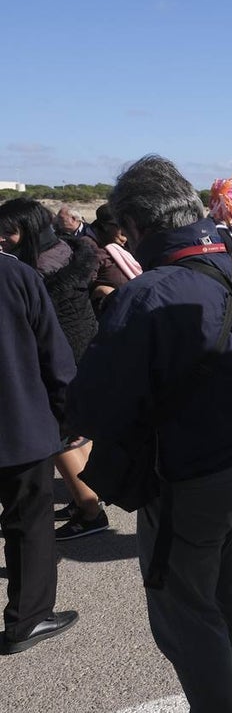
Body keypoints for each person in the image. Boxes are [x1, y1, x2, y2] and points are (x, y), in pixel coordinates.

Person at [67, 155, 232, 713]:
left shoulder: (146, 295)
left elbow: (92, 403)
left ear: (138, 227)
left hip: (189, 474)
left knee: (186, 613)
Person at [0, 198, 105, 540]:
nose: (1, 239)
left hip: (62, 350)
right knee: (78, 432)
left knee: (62, 438)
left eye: (8, 233)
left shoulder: (35, 268)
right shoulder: (65, 250)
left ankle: (90, 510)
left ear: (28, 231)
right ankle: (88, 498)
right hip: (82, 341)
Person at [0, 252, 80, 655]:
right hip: (18, 421)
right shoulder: (14, 273)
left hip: (19, 421)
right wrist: (69, 414)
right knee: (28, 521)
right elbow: (53, 350)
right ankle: (28, 618)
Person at [89, 202, 142, 313]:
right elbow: (80, 289)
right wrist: (100, 290)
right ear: (105, 227)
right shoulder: (89, 248)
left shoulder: (127, 242)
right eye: (121, 226)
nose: (125, 233)